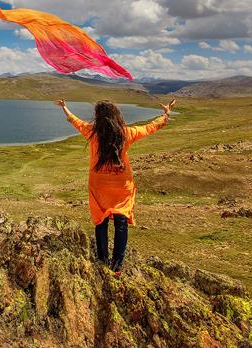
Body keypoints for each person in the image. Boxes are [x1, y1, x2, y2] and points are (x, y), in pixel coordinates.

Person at [54, 97, 175, 275]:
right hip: (122, 184)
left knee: (100, 222)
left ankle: (102, 261)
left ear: (98, 117)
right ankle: (117, 266)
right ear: (116, 115)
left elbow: (75, 121)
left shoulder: (92, 132)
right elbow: (150, 127)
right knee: (121, 222)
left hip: (98, 184)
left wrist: (65, 108)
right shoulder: (126, 133)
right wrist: (166, 114)